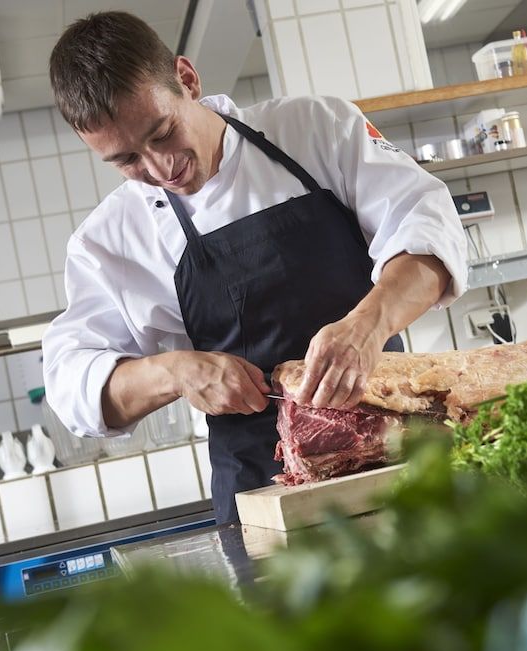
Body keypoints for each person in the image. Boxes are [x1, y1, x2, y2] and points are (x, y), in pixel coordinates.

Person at [41, 11, 467, 523]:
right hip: (265, 492)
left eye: (162, 133)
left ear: (187, 79)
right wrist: (174, 371)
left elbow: (428, 232)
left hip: (400, 454)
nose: (159, 169)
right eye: (126, 160)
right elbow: (74, 385)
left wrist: (367, 326)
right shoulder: (110, 240)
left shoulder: (314, 129)